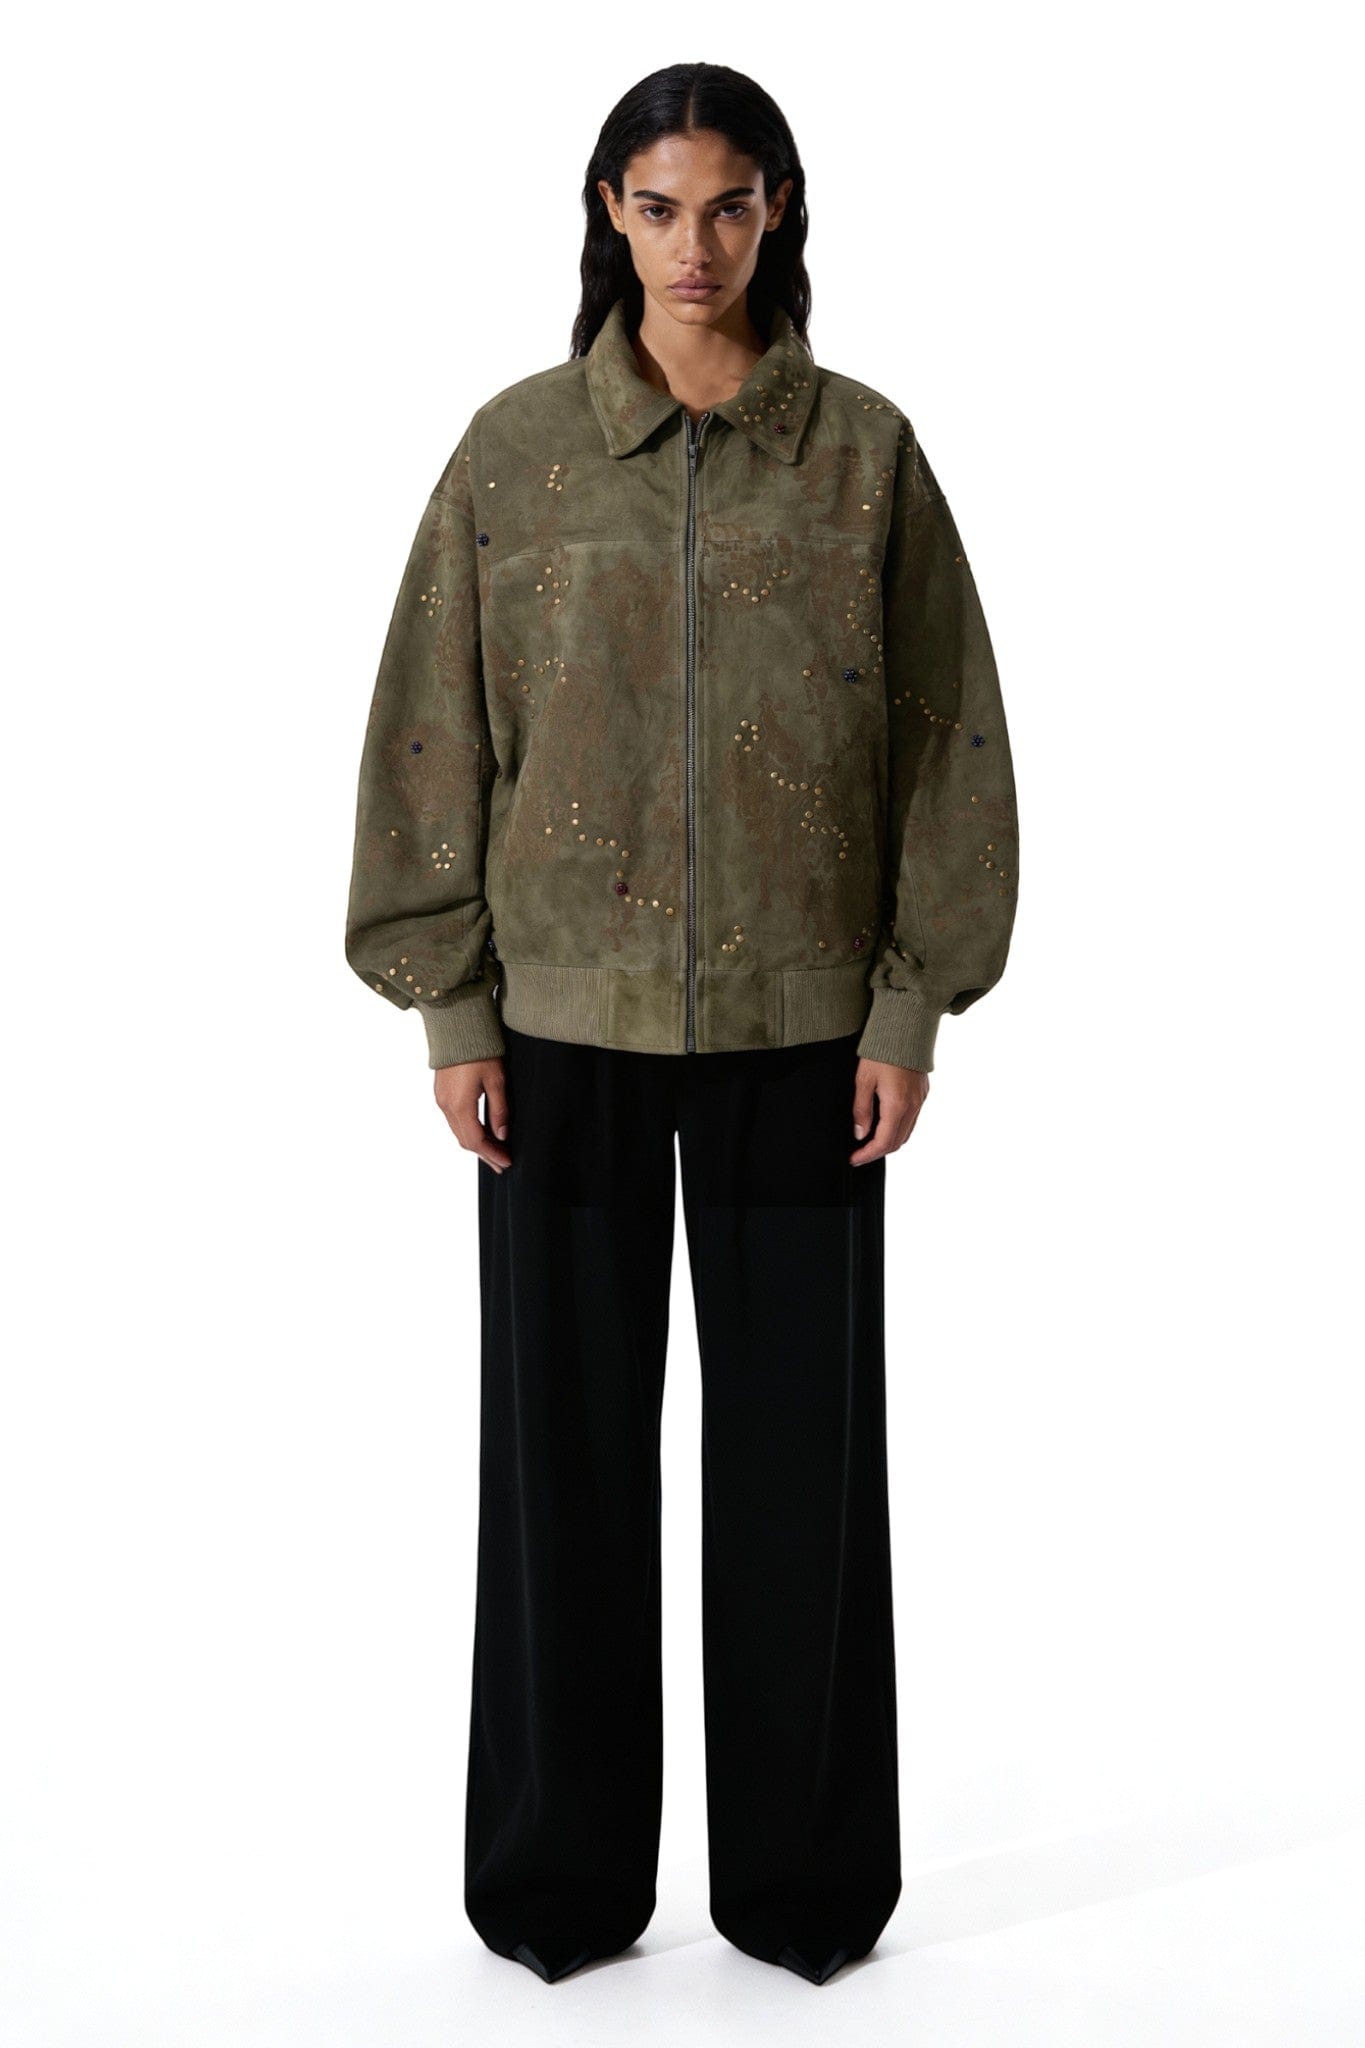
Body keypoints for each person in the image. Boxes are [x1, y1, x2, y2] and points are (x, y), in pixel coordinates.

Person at [344, 61, 1019, 1988]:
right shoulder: (517, 456)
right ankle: (559, 1883)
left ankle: (802, 1890)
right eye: (657, 207)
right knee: (559, 1466)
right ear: (607, 215)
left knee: (801, 1473)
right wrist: (451, 1007)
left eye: (728, 205)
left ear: (777, 208)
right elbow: (432, 728)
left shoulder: (862, 455)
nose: (694, 245)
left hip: (809, 1040)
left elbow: (945, 741)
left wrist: (909, 1001)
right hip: (557, 1034)